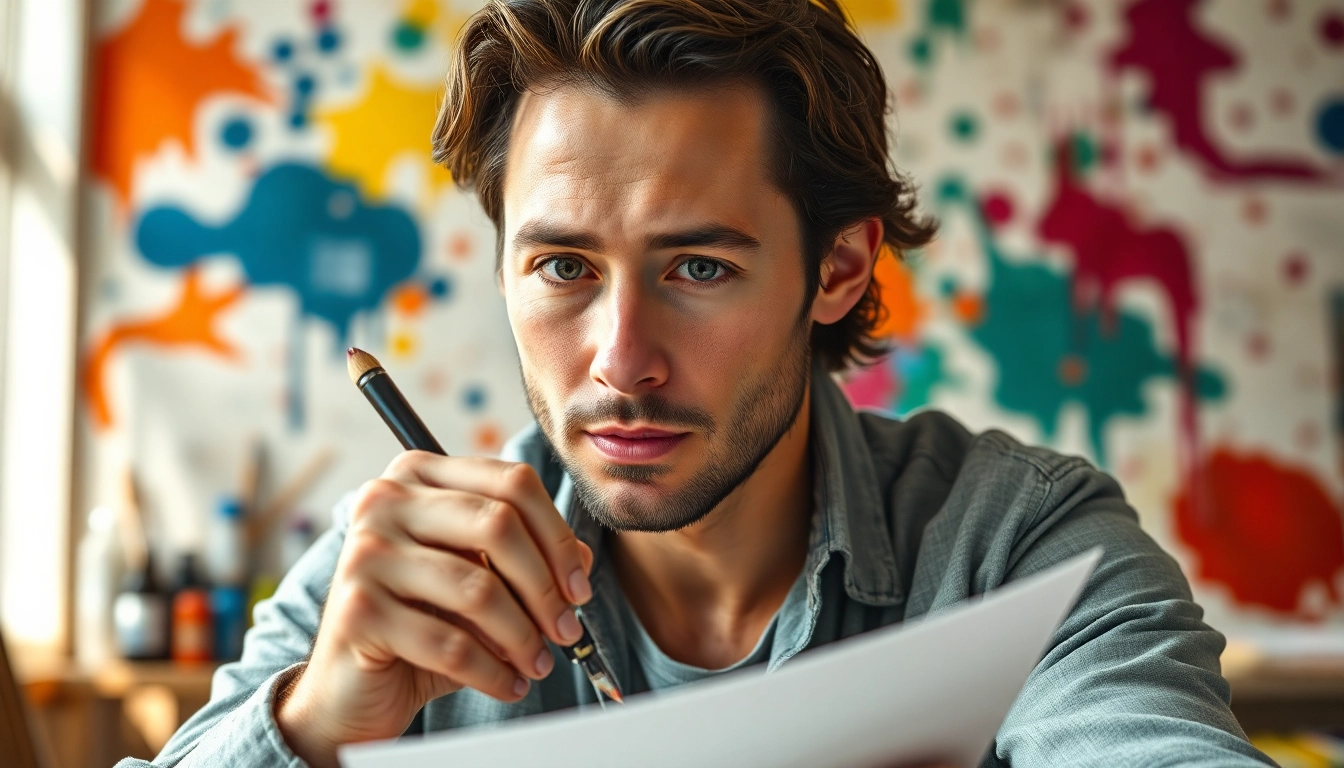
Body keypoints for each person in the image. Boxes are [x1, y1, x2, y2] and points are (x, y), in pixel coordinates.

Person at [117, 1, 1272, 766]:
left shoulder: (1015, 542)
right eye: (564, 266)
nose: (621, 358)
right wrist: (313, 727)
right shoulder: (411, 577)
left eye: (699, 266)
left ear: (838, 268)